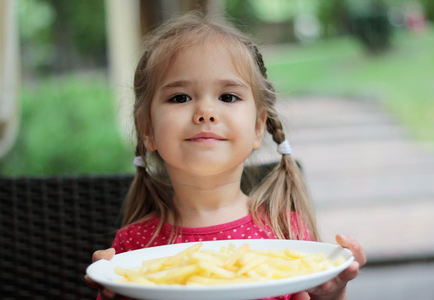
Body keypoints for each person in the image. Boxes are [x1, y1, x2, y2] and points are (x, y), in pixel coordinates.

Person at [85, 11, 366, 300]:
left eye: (228, 97)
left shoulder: (288, 235)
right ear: (148, 130)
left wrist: (332, 293)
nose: (206, 112)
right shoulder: (131, 250)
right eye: (180, 97)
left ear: (258, 127)